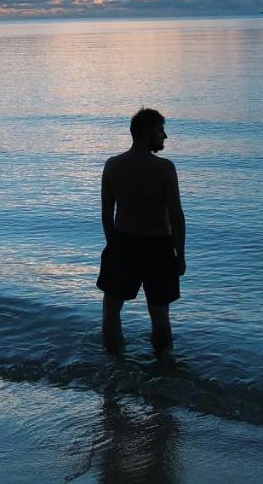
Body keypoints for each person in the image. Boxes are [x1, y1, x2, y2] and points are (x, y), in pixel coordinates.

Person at [96, 107, 186, 356]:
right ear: (148, 133)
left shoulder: (113, 165)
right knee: (159, 313)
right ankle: (163, 366)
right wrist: (180, 254)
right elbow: (176, 216)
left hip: (123, 243)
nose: (164, 136)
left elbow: (106, 214)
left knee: (111, 310)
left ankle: (114, 366)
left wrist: (113, 245)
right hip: (159, 246)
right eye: (160, 130)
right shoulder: (165, 168)